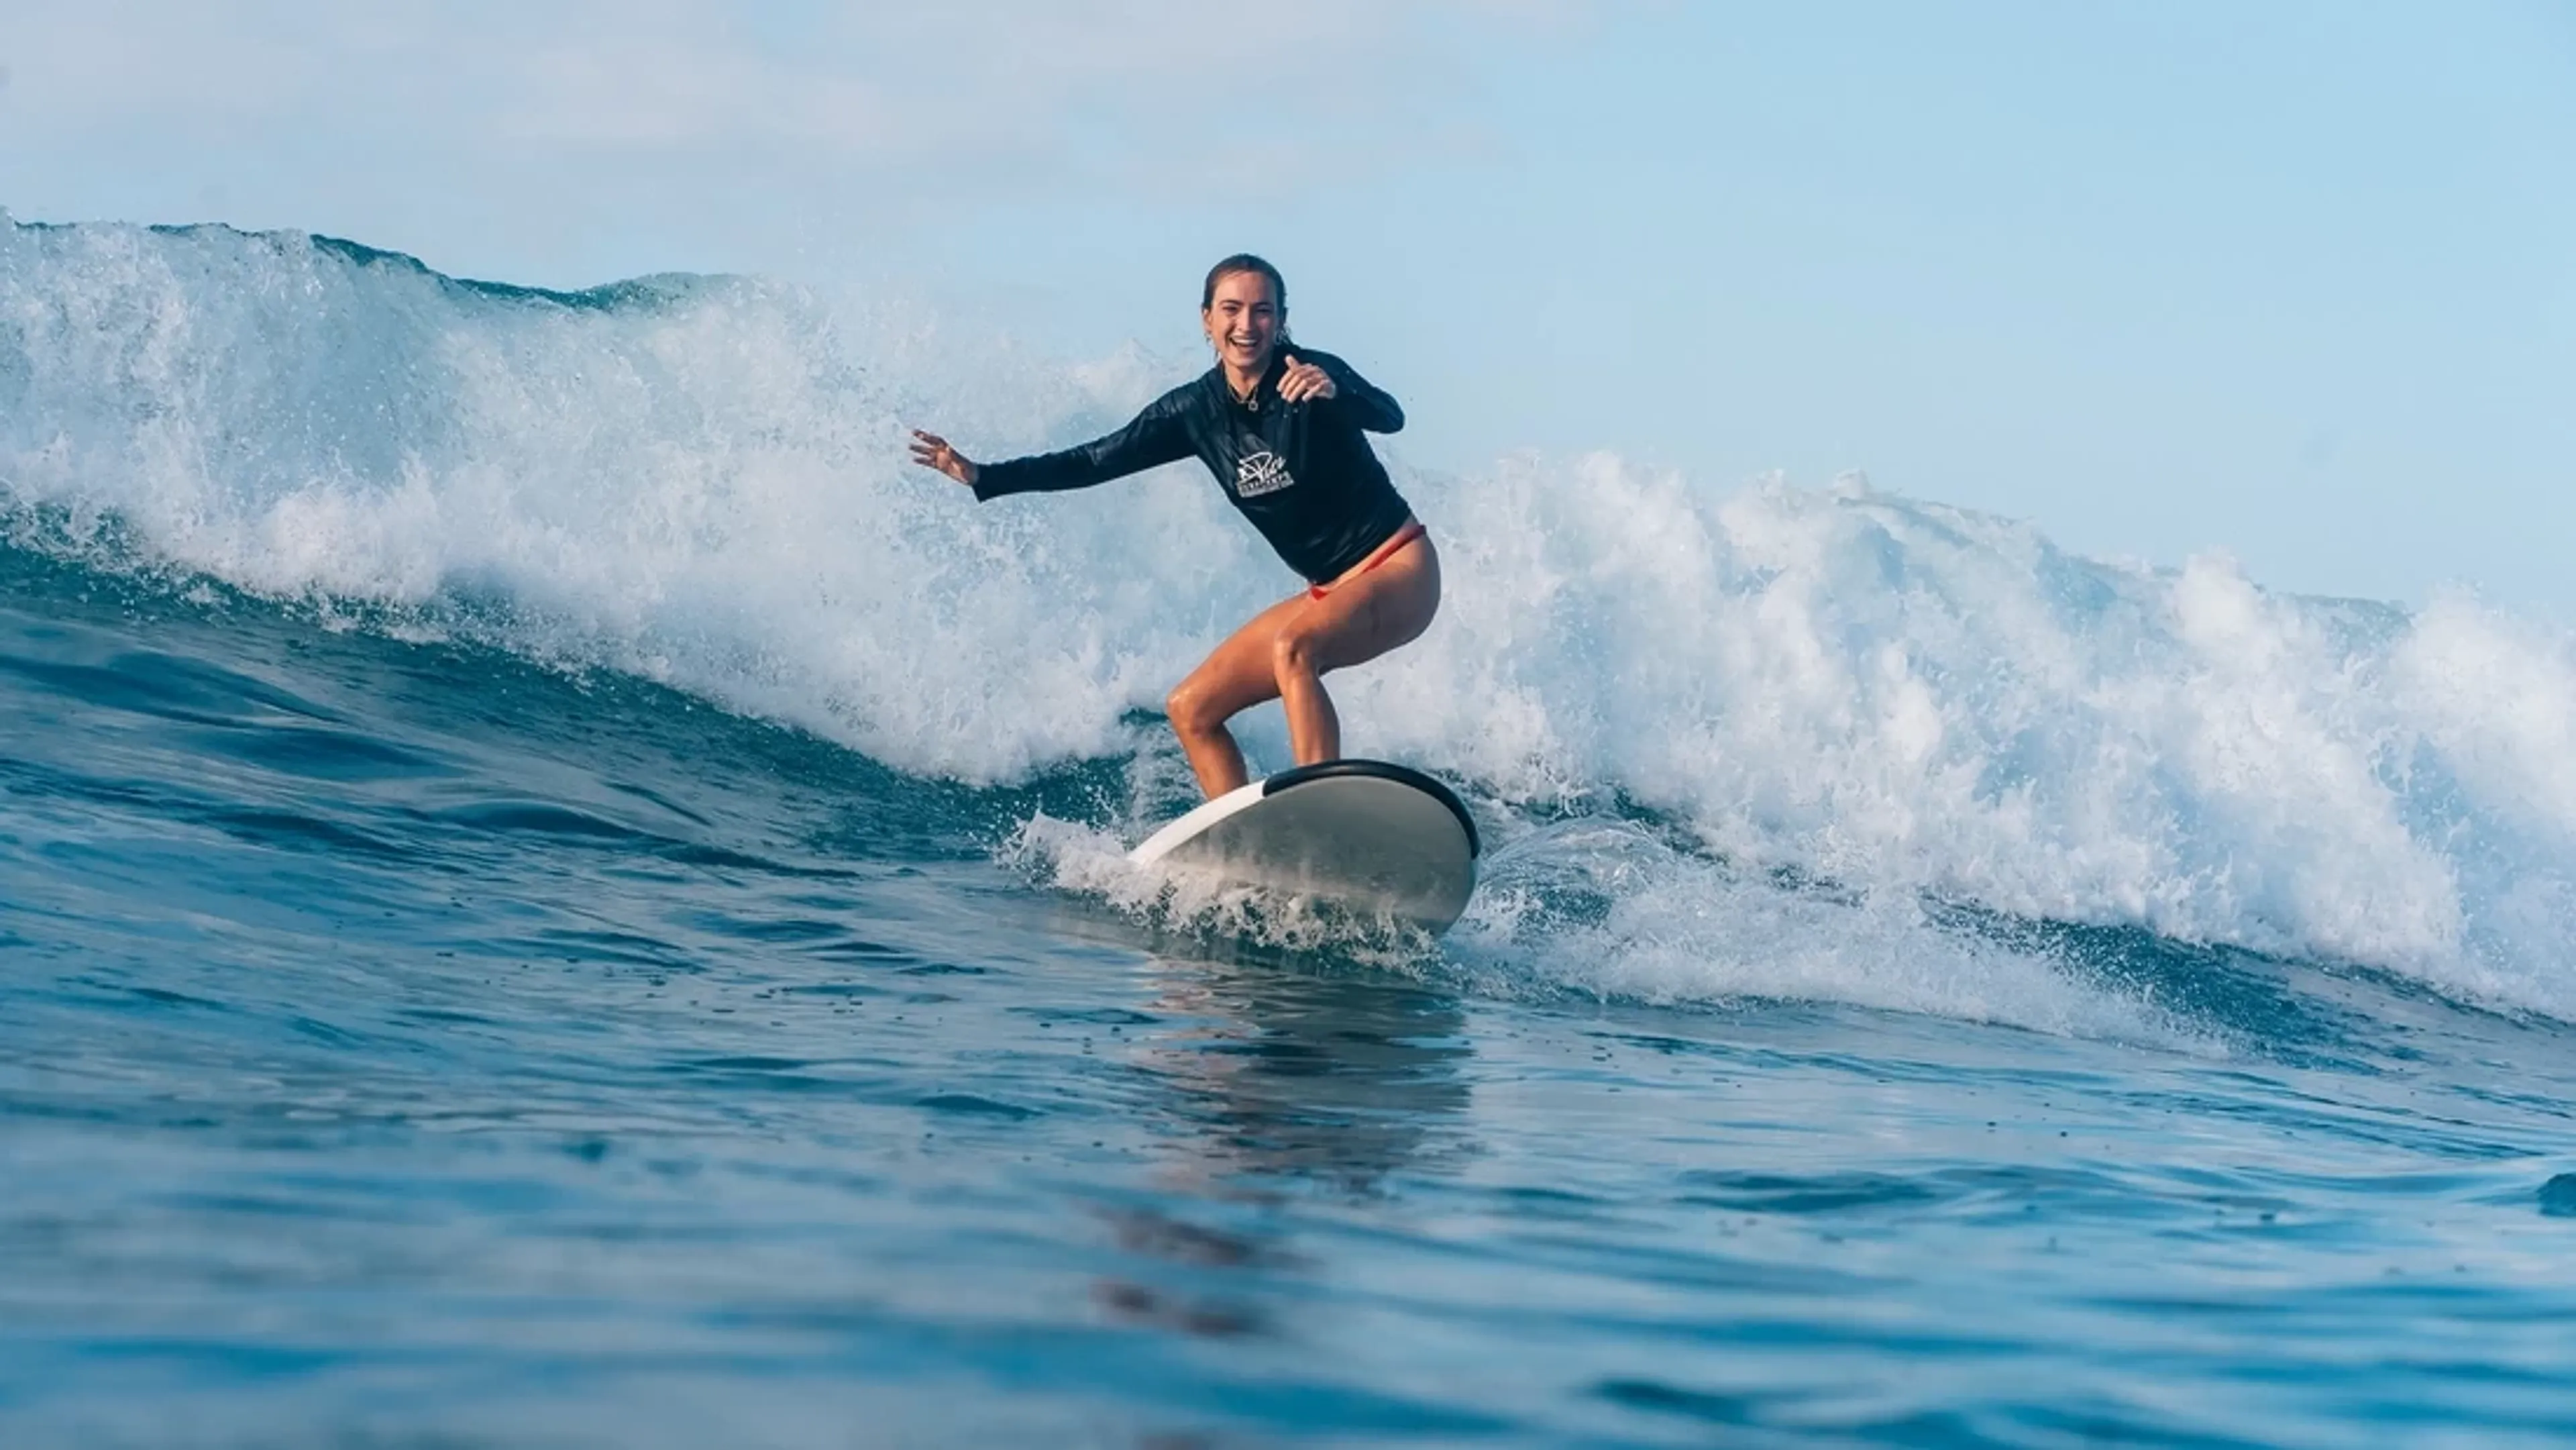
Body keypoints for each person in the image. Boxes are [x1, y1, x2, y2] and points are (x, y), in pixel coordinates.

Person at [909, 254, 1440, 800]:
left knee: (1294, 647)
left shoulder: (1309, 375)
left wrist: (1339, 392)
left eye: (1262, 311)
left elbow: (1391, 415)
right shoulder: (1194, 412)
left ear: (1281, 321)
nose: (1246, 324)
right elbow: (1094, 460)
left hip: (1398, 567)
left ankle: (1316, 811)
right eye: (1231, 309)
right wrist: (984, 476)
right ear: (1207, 319)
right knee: (1191, 708)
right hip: (1328, 590)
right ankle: (1247, 846)